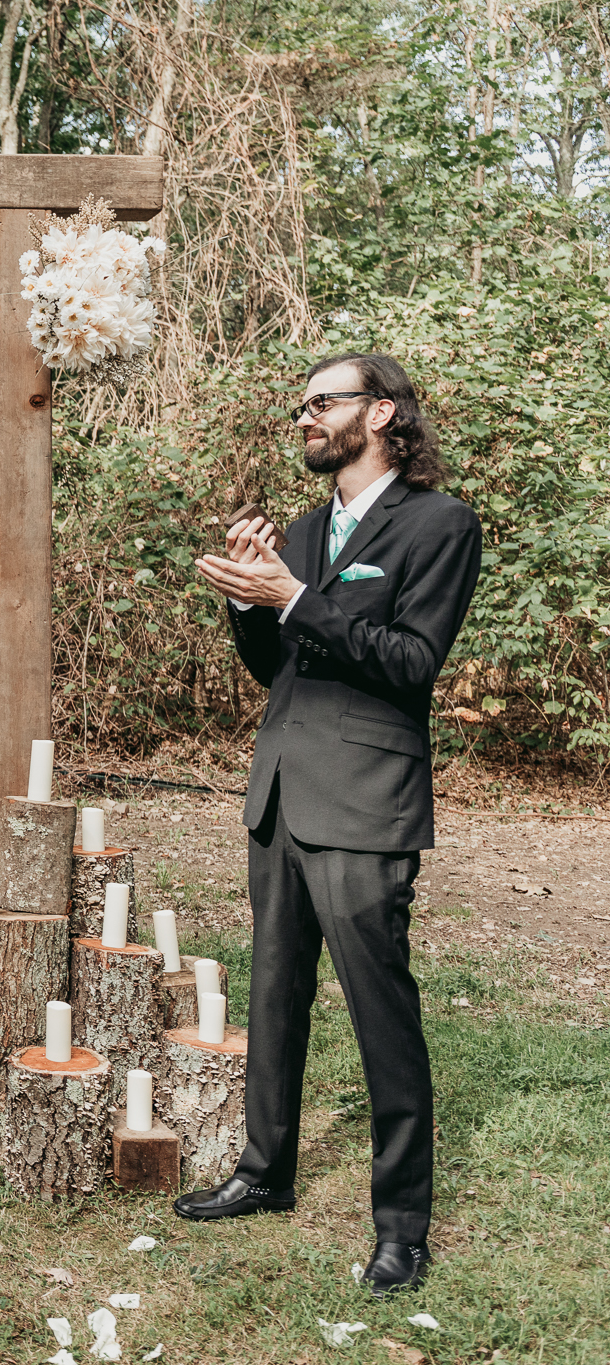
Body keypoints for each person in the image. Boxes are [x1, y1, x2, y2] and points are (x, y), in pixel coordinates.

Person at [182, 352, 482, 1296]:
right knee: (274, 995)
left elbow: (409, 662)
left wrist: (296, 598)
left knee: (379, 1009)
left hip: (365, 800)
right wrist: (246, 598)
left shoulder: (440, 523)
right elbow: (280, 666)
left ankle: (402, 1225)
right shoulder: (306, 531)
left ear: (381, 411)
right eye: (304, 405)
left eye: (324, 402)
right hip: (281, 790)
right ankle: (264, 1172)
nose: (306, 417)